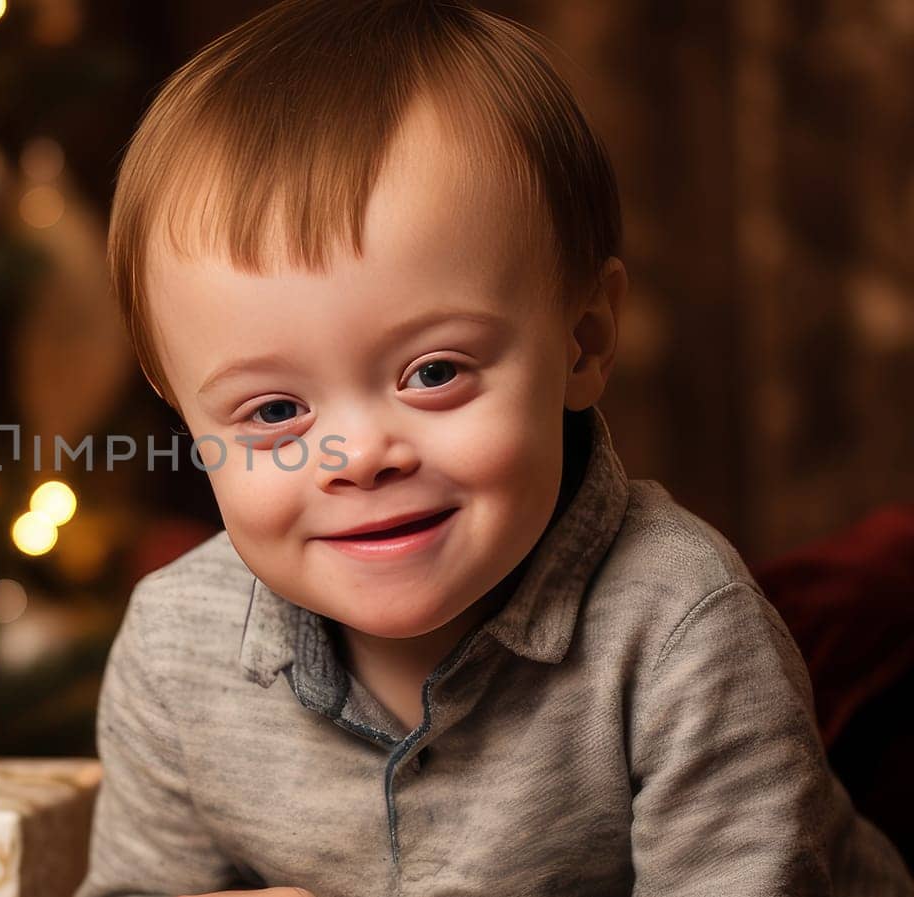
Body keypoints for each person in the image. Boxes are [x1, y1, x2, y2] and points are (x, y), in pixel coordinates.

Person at [72, 1, 914, 894]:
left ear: (581, 343)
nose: (359, 455)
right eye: (274, 408)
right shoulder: (176, 648)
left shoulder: (679, 630)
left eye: (434, 372)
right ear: (186, 420)